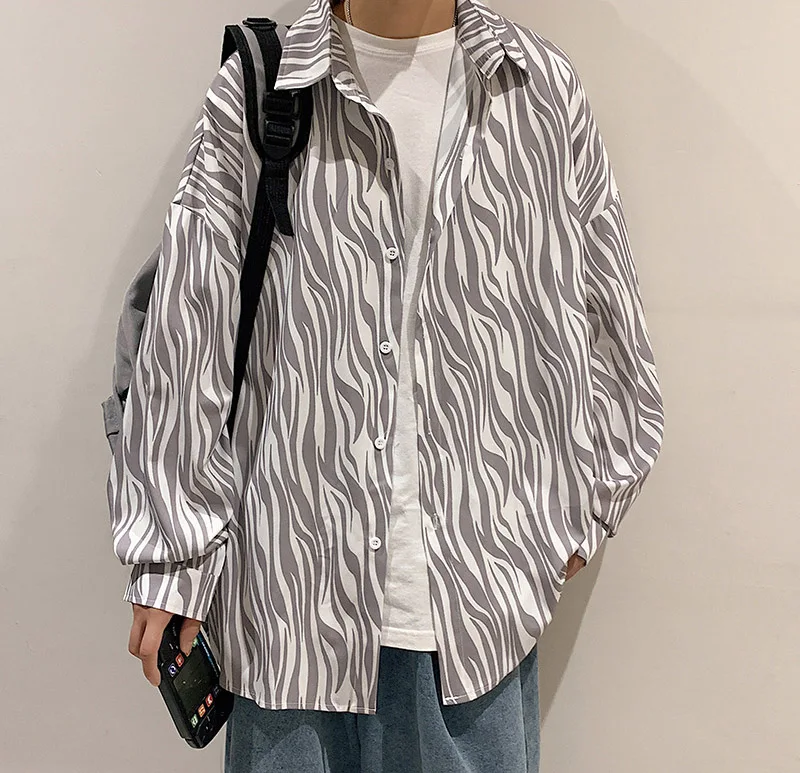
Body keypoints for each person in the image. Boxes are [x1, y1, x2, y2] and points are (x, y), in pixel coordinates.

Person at [108, 0, 665, 770]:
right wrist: (172, 550)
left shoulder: (535, 88)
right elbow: (187, 329)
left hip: (475, 624)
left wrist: (574, 515)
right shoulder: (263, 89)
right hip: (289, 619)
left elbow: (610, 330)